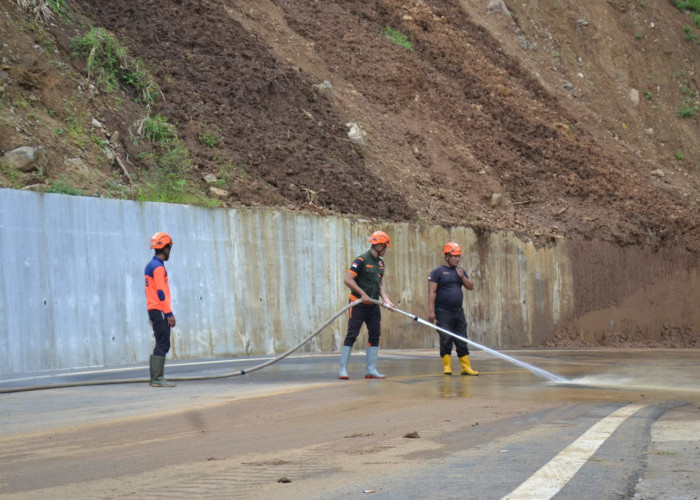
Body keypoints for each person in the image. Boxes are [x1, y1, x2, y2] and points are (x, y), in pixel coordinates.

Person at [338, 231, 395, 380]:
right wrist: (362, 294)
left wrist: (387, 301)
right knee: (352, 334)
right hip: (358, 303)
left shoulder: (381, 264)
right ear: (380, 246)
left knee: (375, 334)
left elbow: (380, 286)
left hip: (373, 305)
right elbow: (348, 279)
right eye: (385, 247)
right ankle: (342, 369)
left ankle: (371, 369)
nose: (386, 250)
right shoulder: (361, 260)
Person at [427, 242, 479, 376]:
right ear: (447, 256)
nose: (457, 259)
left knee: (462, 338)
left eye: (458, 256)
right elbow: (432, 292)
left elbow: (470, 286)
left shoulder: (460, 271)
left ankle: (465, 367)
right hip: (443, 311)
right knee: (446, 338)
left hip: (458, 312)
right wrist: (431, 311)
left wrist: (462, 277)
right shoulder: (437, 272)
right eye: (454, 256)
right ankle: (447, 367)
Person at [144, 232, 177, 387]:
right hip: (159, 309)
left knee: (160, 342)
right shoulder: (158, 268)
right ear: (165, 249)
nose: (169, 251)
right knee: (163, 343)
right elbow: (161, 292)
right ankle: (157, 379)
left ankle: (155, 378)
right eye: (169, 247)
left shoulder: (151, 265)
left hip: (154, 309)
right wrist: (168, 313)